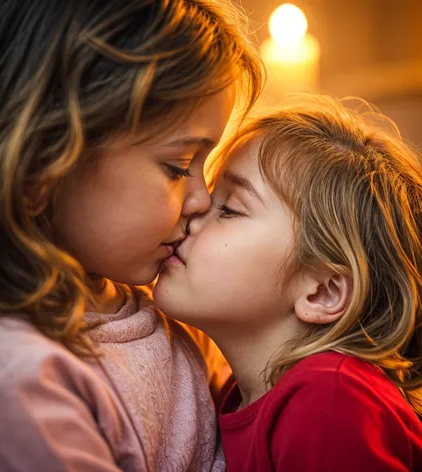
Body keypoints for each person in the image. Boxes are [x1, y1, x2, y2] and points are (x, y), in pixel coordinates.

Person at [0, 1, 264, 470]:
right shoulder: (11, 376)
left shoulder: (169, 315)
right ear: (41, 166)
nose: (202, 199)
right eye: (178, 167)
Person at [155, 96, 422, 472]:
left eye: (230, 208)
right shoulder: (242, 394)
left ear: (322, 291)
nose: (192, 206)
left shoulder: (332, 398)